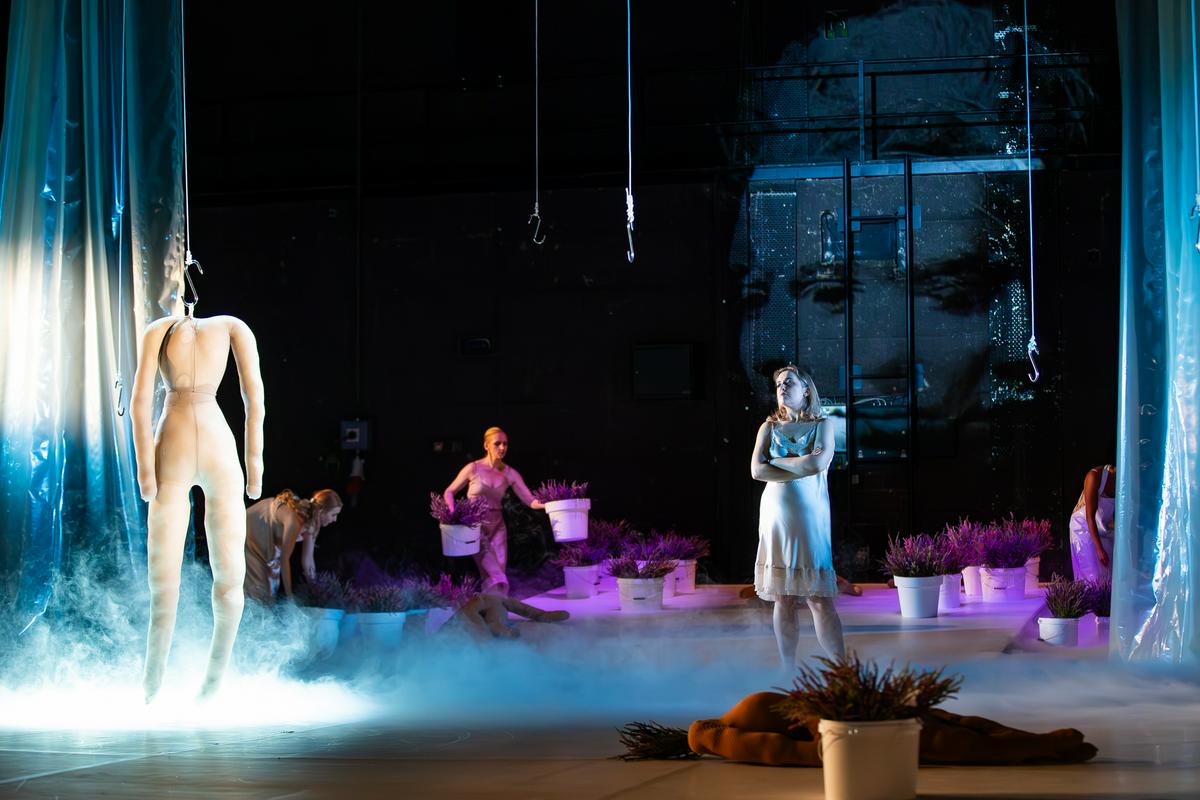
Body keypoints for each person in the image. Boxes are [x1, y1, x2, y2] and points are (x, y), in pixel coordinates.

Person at [131, 311, 264, 702]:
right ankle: (194, 685)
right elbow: (254, 401)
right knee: (223, 578)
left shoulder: (160, 329)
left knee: (166, 582)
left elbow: (140, 403)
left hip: (173, 442)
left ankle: (158, 685)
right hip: (213, 442)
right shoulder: (231, 326)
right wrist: (254, 468)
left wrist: (145, 472)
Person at [685, 691, 1097, 766]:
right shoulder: (726, 731)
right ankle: (1034, 746)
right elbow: (793, 753)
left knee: (940, 729)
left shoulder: (729, 730)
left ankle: (1033, 745)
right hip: (832, 718)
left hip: (831, 716)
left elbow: (792, 752)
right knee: (939, 731)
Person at [751, 365, 845, 666]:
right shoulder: (768, 428)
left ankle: (842, 670)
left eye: (789, 382)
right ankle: (787, 668)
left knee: (819, 599)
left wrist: (778, 461)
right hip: (776, 519)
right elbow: (756, 471)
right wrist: (800, 462)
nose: (782, 387)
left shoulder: (822, 425)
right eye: (779, 383)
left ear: (806, 390)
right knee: (784, 597)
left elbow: (816, 466)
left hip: (810, 521)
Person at [443, 426, 544, 595]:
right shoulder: (473, 468)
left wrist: (549, 505)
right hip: (475, 526)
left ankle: (494, 608)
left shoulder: (510, 473)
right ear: (486, 445)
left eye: (505, 444)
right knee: (495, 573)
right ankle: (496, 607)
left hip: (498, 526)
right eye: (497, 443)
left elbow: (530, 500)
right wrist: (452, 512)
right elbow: (449, 491)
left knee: (496, 572)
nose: (502, 447)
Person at [244, 488, 343, 603]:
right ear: (321, 511)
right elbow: (284, 559)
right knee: (259, 592)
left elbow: (308, 561)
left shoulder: (313, 524)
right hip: (253, 531)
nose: (335, 519)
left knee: (270, 588)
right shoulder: (295, 521)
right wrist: (289, 596)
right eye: (333, 514)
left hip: (267, 545)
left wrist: (315, 590)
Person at [1068, 463, 1116, 582]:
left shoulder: (1126, 483)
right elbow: (1090, 516)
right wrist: (1099, 549)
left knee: (1107, 574)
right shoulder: (1094, 476)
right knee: (1091, 572)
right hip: (1083, 526)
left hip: (1103, 527)